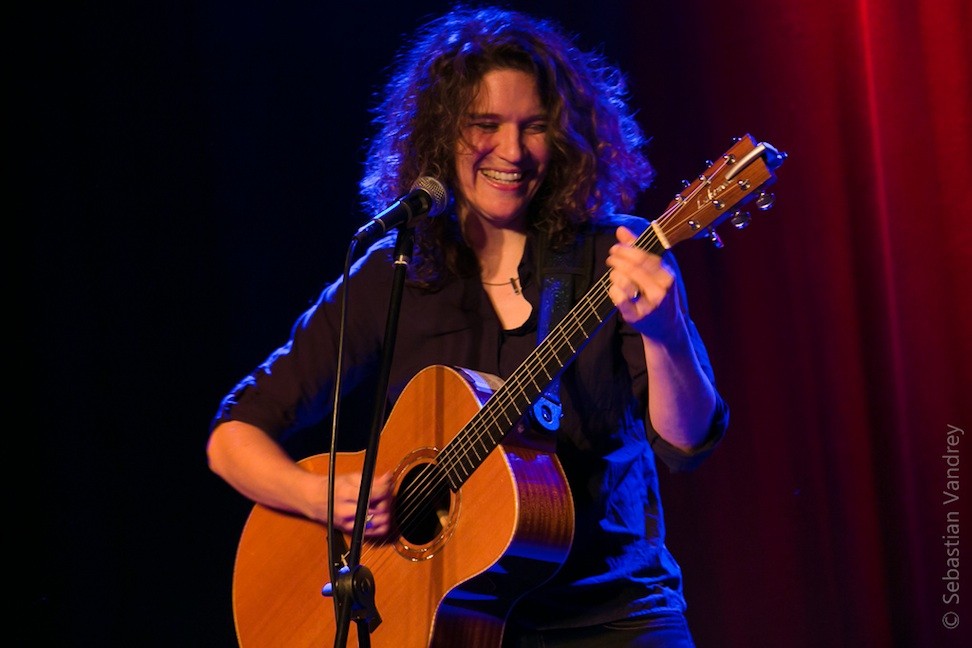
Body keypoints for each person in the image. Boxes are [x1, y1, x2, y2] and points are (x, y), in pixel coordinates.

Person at [207, 4, 728, 647]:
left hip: (614, 617)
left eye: (534, 127)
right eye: (486, 125)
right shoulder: (395, 272)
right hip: (447, 624)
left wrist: (666, 335)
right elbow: (233, 436)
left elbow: (687, 442)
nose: (512, 151)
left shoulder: (614, 255)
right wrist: (320, 498)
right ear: (441, 133)